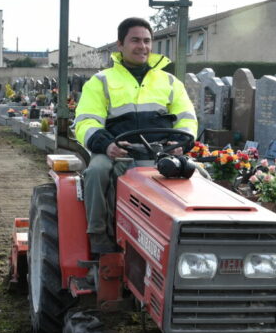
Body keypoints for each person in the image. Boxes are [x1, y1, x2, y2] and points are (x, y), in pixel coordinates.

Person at [73, 17, 198, 253]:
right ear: (120, 45)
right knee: (97, 171)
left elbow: (187, 118)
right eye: (135, 40)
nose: (143, 46)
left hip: (163, 152)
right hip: (118, 152)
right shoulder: (101, 81)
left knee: (199, 175)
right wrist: (107, 144)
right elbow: (86, 121)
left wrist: (181, 142)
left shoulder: (170, 82)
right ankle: (100, 238)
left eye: (147, 41)